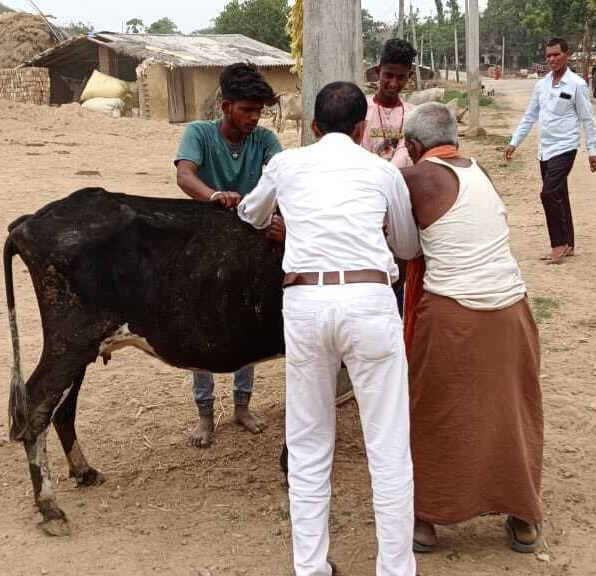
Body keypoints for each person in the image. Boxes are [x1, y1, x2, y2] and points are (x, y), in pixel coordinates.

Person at [239, 81, 419, 576]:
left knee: (309, 444)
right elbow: (406, 246)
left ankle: (311, 567)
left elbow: (251, 212)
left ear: (315, 127)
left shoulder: (286, 164)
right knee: (388, 447)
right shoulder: (383, 171)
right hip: (369, 302)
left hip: (305, 303)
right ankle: (395, 569)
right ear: (362, 129)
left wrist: (288, 219)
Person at [400, 102, 544, 554]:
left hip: (454, 313)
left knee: (433, 411)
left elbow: (403, 247)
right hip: (513, 309)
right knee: (512, 411)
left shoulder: (415, 177)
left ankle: (425, 518)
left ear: (413, 145)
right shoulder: (481, 172)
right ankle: (523, 515)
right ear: (455, 140)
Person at [174, 62, 284, 447]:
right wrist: (215, 196)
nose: (254, 118)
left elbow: (284, 176)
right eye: (247, 110)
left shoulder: (265, 140)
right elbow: (185, 175)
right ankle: (205, 413)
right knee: (202, 323)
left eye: (259, 111)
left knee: (247, 320)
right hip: (204, 243)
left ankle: (241, 406)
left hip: (250, 246)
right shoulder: (199, 133)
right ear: (226, 106)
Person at [504, 37, 596, 264]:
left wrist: (592, 149)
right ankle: (569, 243)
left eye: (556, 54)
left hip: (566, 146)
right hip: (545, 149)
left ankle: (559, 244)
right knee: (559, 194)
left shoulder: (576, 85)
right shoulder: (542, 85)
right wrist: (514, 142)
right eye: (548, 55)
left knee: (548, 193)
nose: (552, 59)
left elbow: (588, 119)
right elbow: (530, 116)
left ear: (568, 55)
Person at [363, 38, 418, 168]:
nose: (393, 84)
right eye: (388, 75)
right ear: (378, 72)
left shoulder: (414, 115)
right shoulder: (362, 109)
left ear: (409, 76)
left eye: (400, 77)